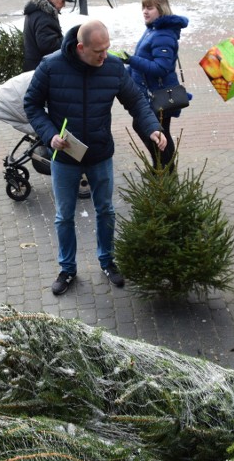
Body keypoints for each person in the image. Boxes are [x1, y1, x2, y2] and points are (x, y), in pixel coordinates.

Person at [24, 20, 167, 295]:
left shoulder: (112, 67)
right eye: (98, 51)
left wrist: (152, 128)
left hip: (100, 153)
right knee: (64, 216)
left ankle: (108, 261)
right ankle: (67, 269)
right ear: (81, 47)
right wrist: (50, 135)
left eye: (107, 49)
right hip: (64, 156)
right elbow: (31, 104)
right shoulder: (51, 66)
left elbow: (136, 101)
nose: (105, 56)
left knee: (106, 210)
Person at [121, 0, 189, 169]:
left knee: (154, 131)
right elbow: (142, 61)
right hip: (148, 93)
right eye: (143, 7)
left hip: (157, 96)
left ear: (161, 9)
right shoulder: (153, 30)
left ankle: (165, 172)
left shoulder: (163, 35)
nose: (145, 11)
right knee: (157, 132)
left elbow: (161, 68)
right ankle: (163, 170)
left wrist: (131, 60)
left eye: (149, 8)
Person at [22, 0, 72, 72]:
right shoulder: (44, 16)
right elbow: (48, 45)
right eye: (63, 1)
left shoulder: (37, 10)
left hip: (34, 65)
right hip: (40, 68)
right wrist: (67, 41)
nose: (64, 5)